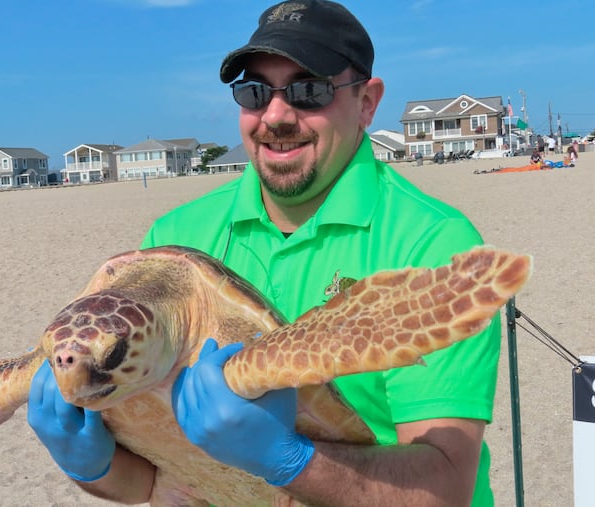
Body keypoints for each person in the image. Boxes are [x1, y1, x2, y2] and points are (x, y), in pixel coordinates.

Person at [27, 1, 500, 505]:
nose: (276, 115)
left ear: (367, 101)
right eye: (255, 92)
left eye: (309, 89)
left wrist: (287, 460)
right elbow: (149, 481)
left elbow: (444, 489)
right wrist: (89, 464)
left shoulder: (430, 245)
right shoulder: (176, 235)